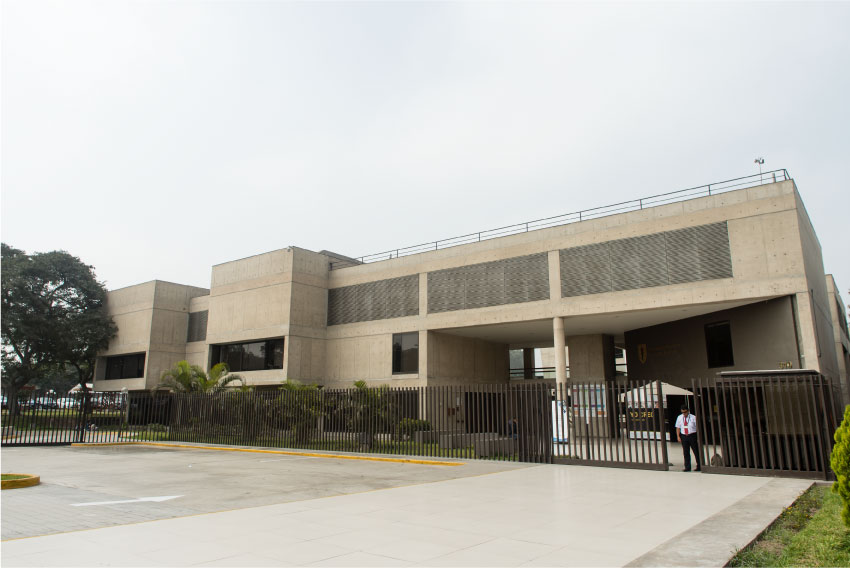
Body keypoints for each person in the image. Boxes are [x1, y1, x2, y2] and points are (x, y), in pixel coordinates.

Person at [675, 404, 700, 472]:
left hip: (692, 435)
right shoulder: (679, 417)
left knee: (696, 451)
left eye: (685, 412)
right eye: (683, 412)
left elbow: (697, 427)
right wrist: (678, 436)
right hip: (684, 436)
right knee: (686, 452)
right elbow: (678, 427)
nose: (684, 414)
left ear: (688, 411)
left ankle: (699, 465)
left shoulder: (693, 417)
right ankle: (687, 466)